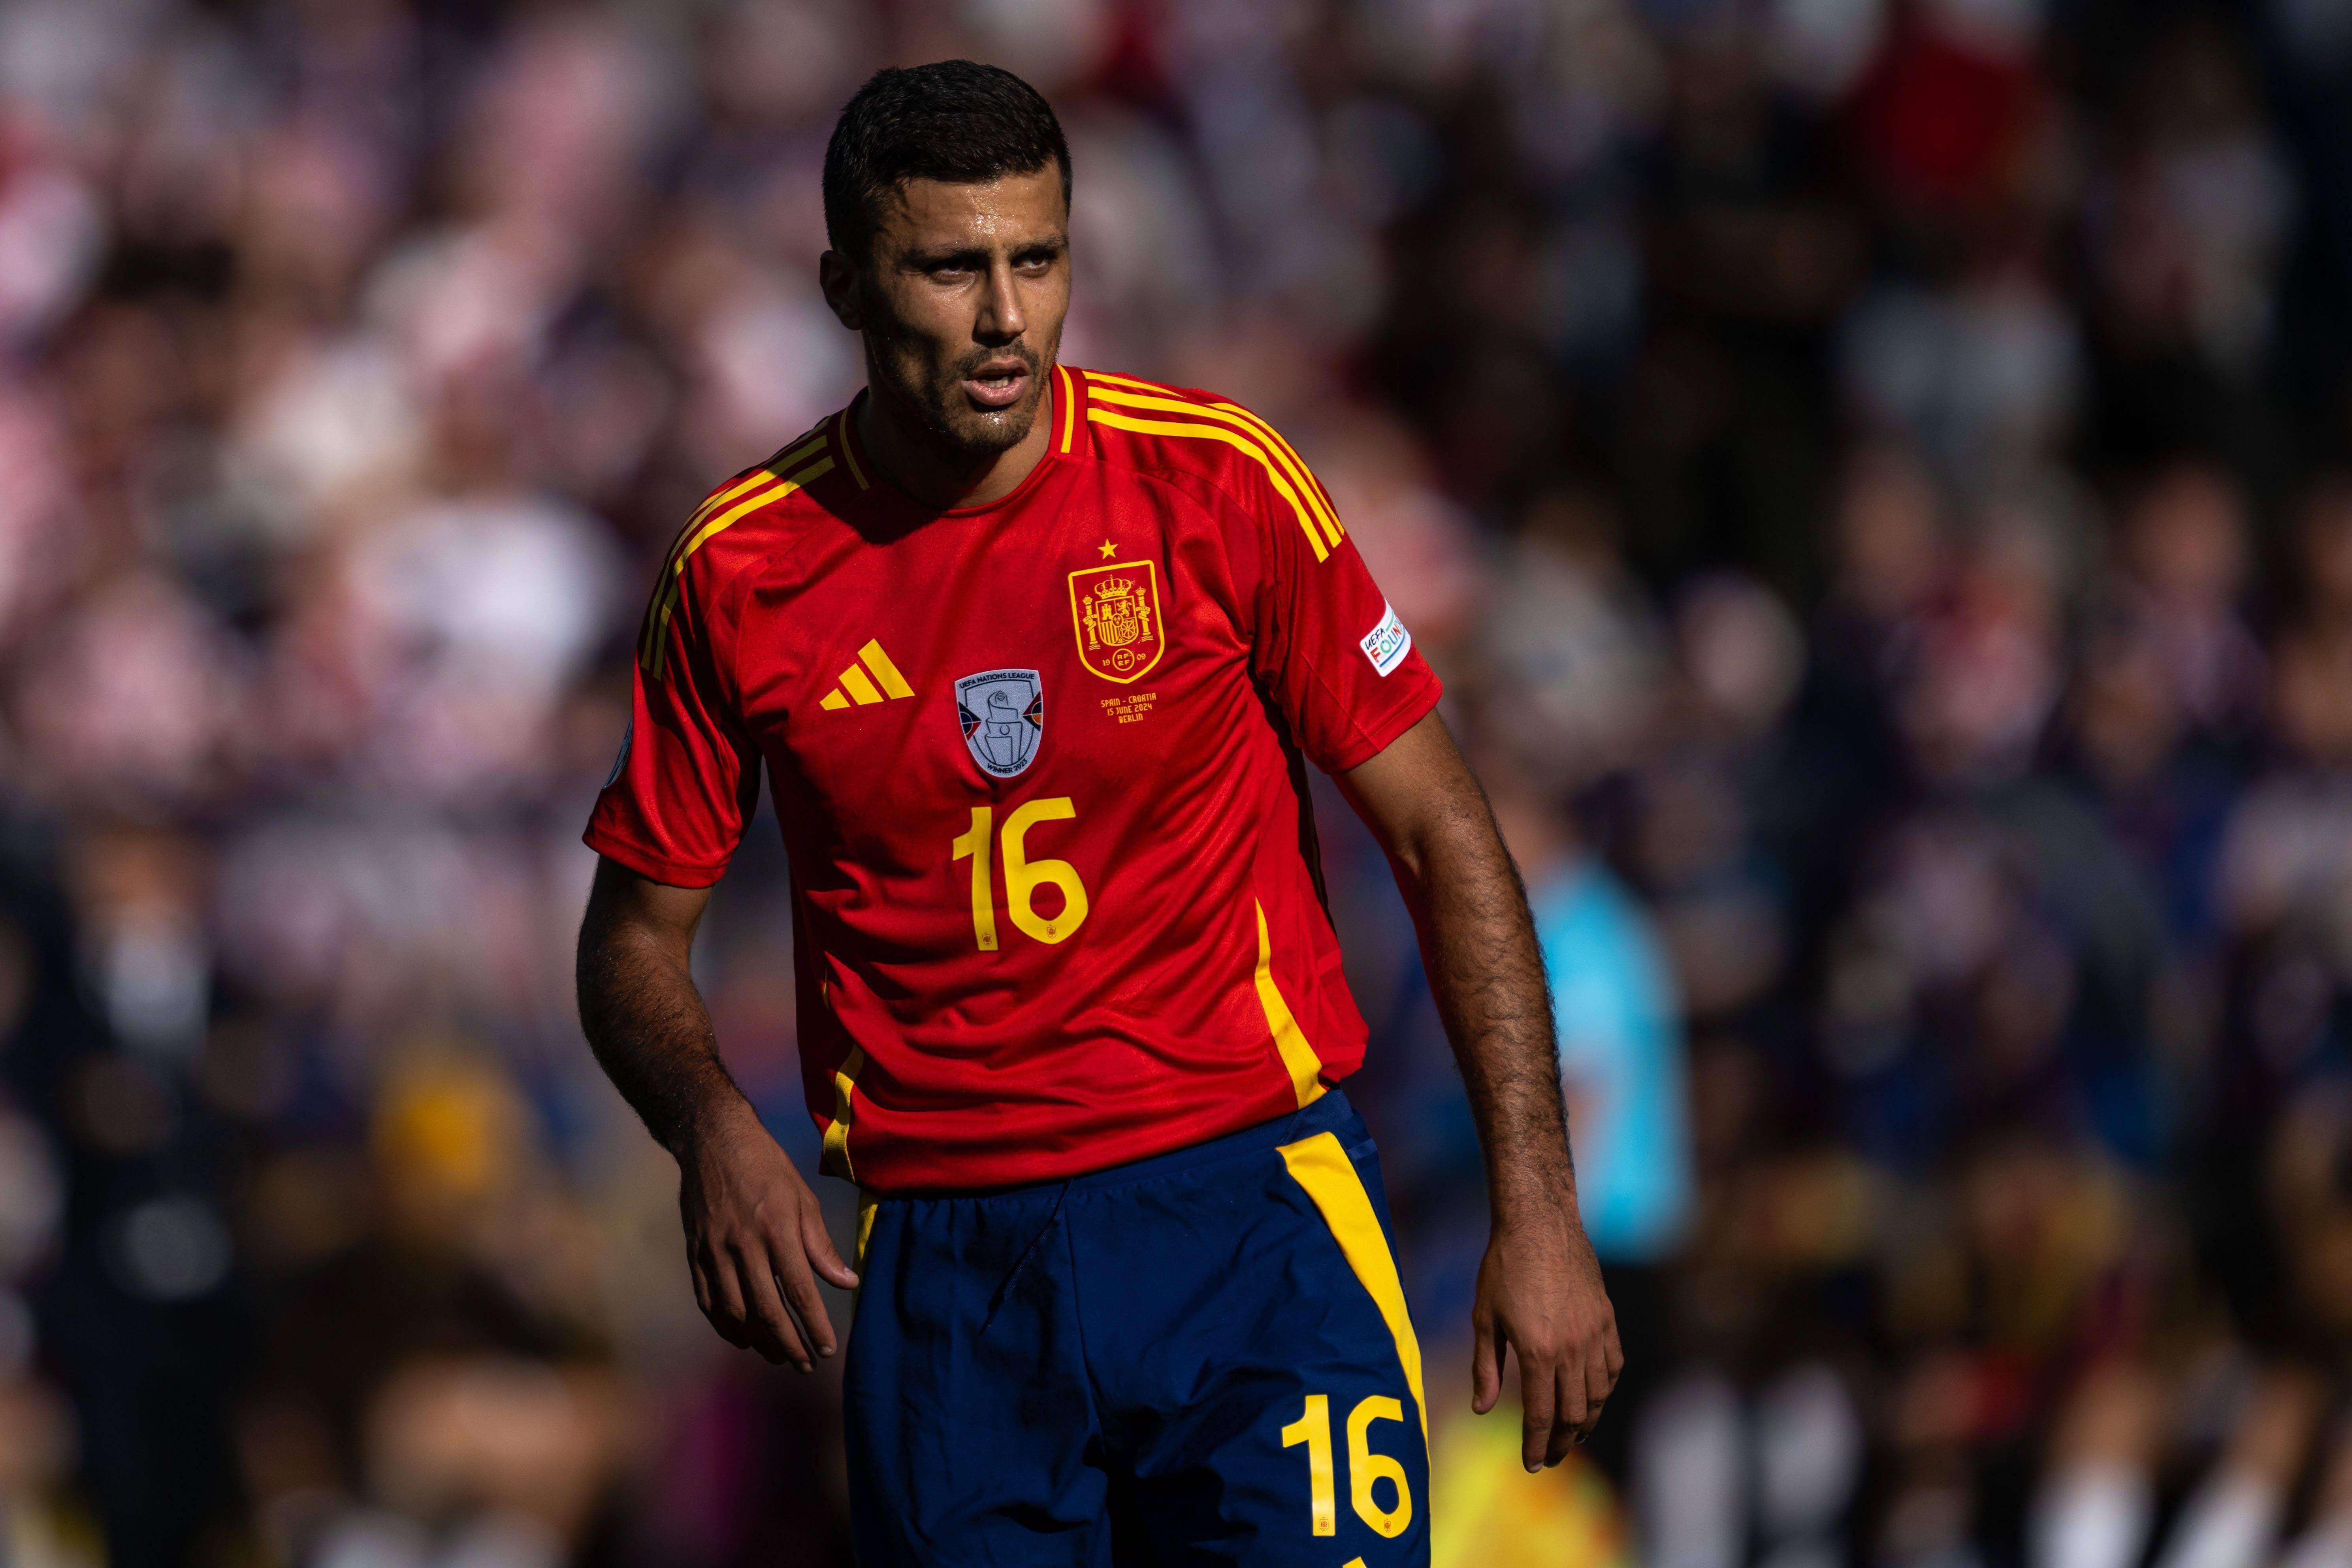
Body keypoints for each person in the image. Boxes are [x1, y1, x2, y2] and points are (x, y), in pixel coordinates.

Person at [574, 60, 1619, 1565]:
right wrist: (712, 1130)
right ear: (844, 285)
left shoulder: (1217, 484)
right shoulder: (742, 573)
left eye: (1038, 259)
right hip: (949, 1264)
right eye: (949, 267)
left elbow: (1443, 833)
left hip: (1246, 1208)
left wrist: (1539, 1213)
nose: (1005, 315)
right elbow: (630, 941)